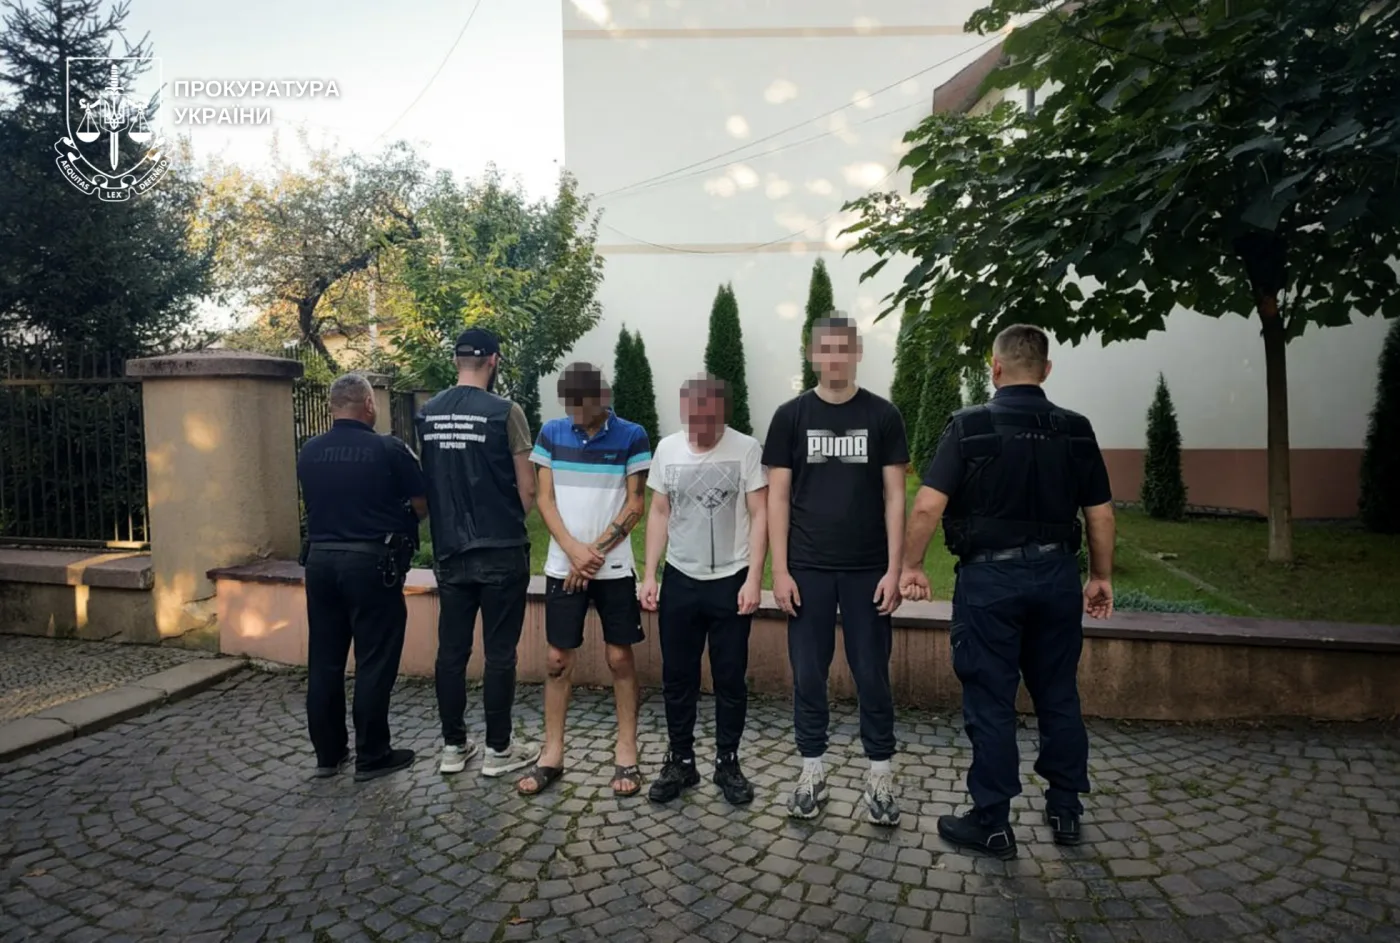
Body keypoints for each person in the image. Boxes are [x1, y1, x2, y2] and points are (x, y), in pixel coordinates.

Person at [900, 323, 1116, 860]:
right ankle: (1065, 809)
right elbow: (1100, 514)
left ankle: (992, 824)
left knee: (991, 701)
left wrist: (912, 565)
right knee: (1059, 694)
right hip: (1056, 578)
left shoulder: (969, 426)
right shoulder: (1076, 429)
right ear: (1046, 370)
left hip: (990, 582)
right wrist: (1100, 577)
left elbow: (927, 506)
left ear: (994, 368)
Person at [762, 315, 910, 825]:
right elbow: (777, 498)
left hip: (869, 569)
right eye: (825, 349)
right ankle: (812, 769)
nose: (835, 358)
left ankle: (880, 774)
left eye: (843, 348)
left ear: (857, 352)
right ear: (812, 355)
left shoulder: (883, 415)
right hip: (807, 569)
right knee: (809, 673)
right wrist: (780, 571)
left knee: (872, 673)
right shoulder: (790, 416)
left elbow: (895, 497)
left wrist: (894, 569)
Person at [517, 362, 652, 798]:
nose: (574, 413)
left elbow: (635, 505)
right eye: (569, 405)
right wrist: (574, 552)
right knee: (557, 659)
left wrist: (592, 554)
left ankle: (626, 750)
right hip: (564, 565)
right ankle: (552, 755)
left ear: (603, 398)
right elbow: (544, 499)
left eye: (583, 405)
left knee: (619, 657)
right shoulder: (551, 433)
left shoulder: (632, 435)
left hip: (612, 567)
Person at [417, 327, 539, 779]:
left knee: (451, 651)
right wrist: (508, 521)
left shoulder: (427, 413)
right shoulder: (506, 412)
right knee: (500, 653)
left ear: (456, 361)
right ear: (494, 361)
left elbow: (428, 481)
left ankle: (453, 746)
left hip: (450, 550)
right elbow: (527, 488)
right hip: (501, 549)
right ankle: (498, 750)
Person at [640, 375, 768, 806]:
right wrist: (650, 574)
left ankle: (728, 762)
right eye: (692, 417)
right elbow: (659, 512)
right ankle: (680, 760)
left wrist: (754, 578)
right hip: (680, 578)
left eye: (708, 418)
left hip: (731, 580)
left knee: (730, 677)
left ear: (722, 413)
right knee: (678, 677)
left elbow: (759, 513)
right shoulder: (667, 449)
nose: (699, 427)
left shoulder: (746, 449)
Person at [297, 373, 425, 782]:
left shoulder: (309, 451)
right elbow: (421, 503)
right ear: (369, 404)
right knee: (374, 660)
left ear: (333, 406)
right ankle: (373, 755)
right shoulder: (389, 448)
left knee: (324, 661)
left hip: (320, 563)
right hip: (372, 565)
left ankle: (328, 754)